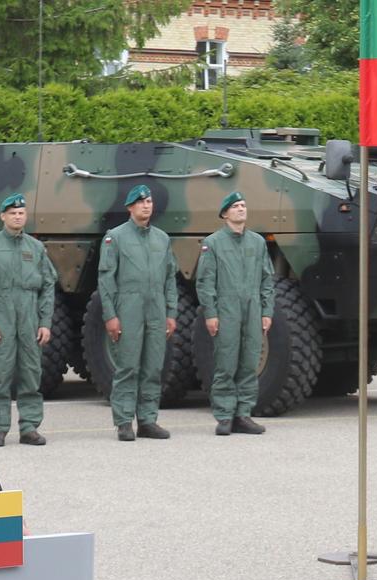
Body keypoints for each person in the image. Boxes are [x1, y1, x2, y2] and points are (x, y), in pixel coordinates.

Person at [0, 192, 57, 446]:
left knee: (31, 373)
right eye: (13, 213)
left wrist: (45, 322)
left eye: (21, 213)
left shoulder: (36, 248)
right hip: (2, 316)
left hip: (29, 316)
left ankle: (29, 427)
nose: (18, 217)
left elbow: (48, 286)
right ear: (3, 217)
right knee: (0, 373)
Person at [98, 184, 177, 441]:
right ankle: (123, 421)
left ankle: (147, 420)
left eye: (149, 201)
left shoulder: (162, 239)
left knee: (153, 367)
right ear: (130, 207)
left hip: (156, 310)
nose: (147, 205)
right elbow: (106, 279)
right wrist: (110, 315)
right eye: (141, 202)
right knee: (128, 367)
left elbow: (169, 280)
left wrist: (171, 313)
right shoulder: (116, 237)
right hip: (128, 310)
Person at [194, 191, 273, 436]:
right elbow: (205, 282)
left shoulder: (257, 242)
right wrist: (210, 313)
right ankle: (224, 415)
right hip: (226, 310)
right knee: (226, 364)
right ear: (225, 213)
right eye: (236, 206)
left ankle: (243, 414)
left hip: (252, 309)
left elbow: (267, 279)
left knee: (249, 363)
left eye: (243, 205)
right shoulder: (213, 243)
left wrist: (266, 311)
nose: (241, 209)